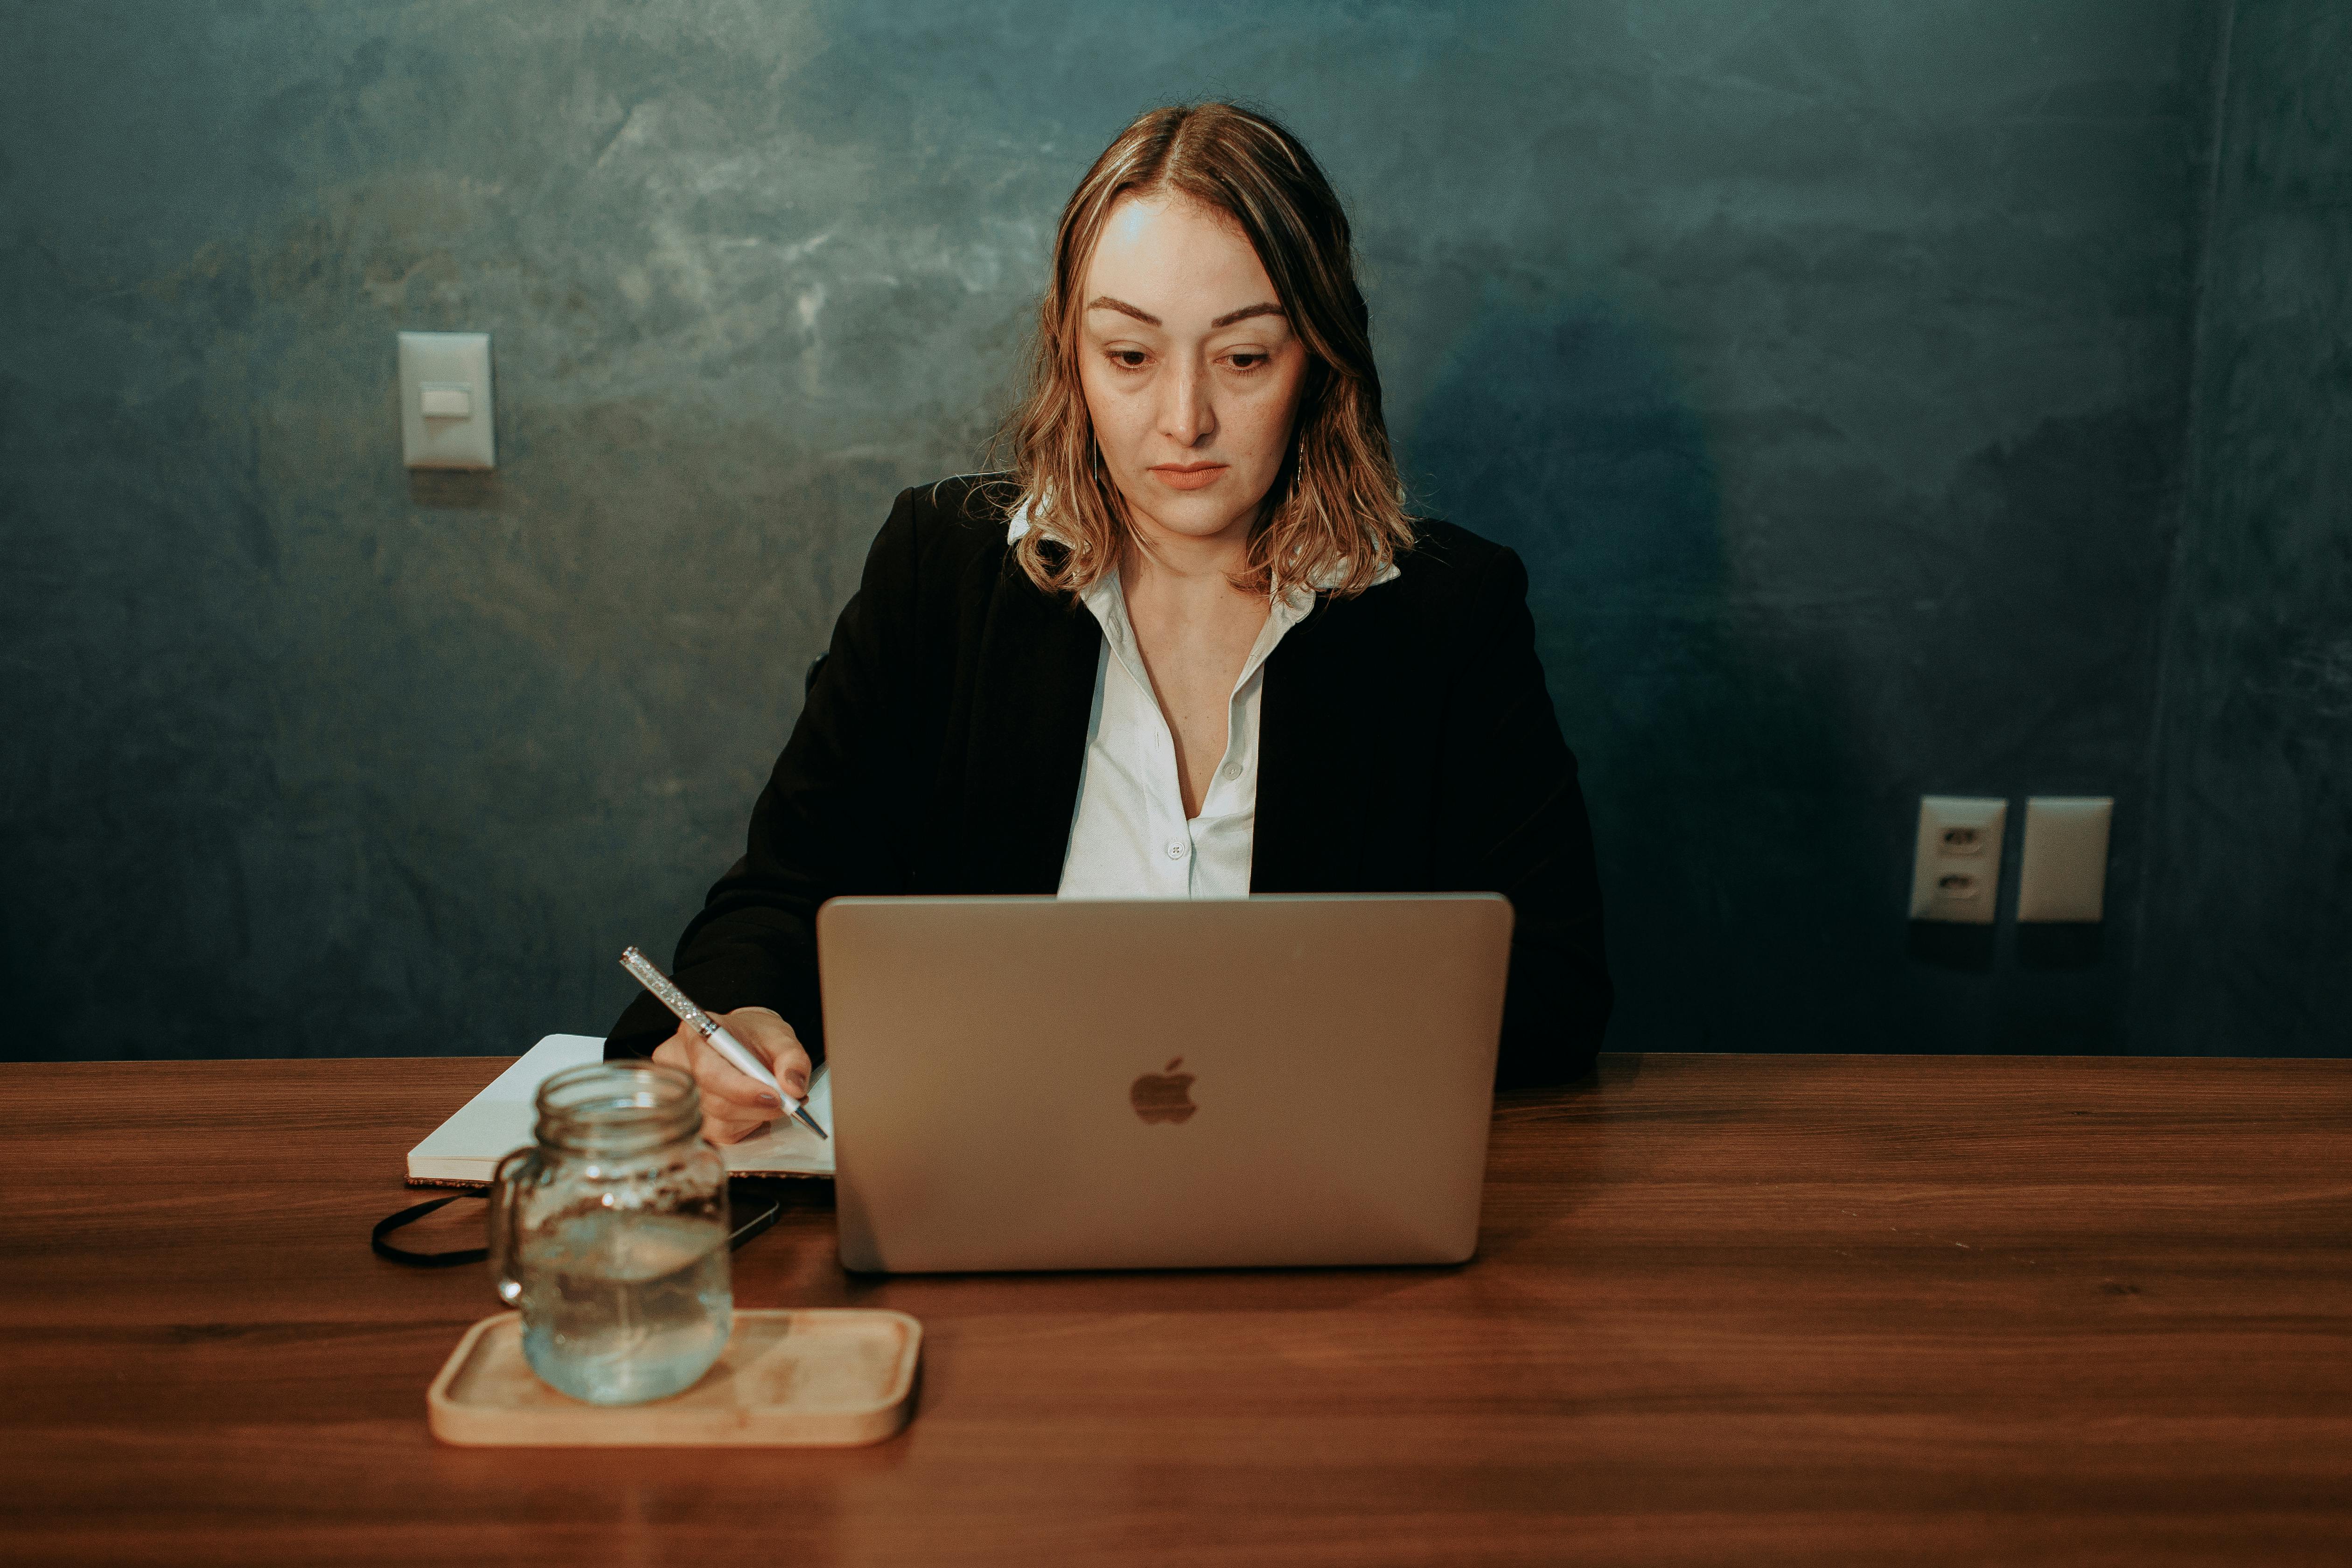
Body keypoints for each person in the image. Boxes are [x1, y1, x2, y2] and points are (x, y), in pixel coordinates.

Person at [606, 103, 1611, 1143]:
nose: (1185, 421)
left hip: (1311, 1193)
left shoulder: (1451, 610)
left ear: (1320, 359)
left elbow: (1553, 988)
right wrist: (738, 1014)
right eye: (1130, 356)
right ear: (1071, 359)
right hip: (987, 1176)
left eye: (1245, 358)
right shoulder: (937, 570)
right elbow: (777, 898)